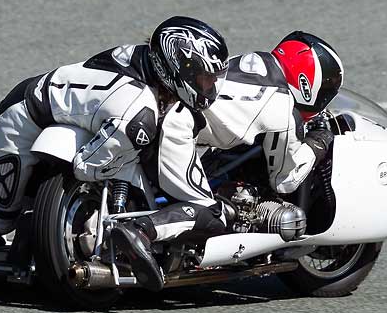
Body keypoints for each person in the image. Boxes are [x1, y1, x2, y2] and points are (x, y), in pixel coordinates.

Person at [0, 16, 230, 292]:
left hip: (78, 122)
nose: (208, 87)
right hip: (23, 117)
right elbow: (88, 168)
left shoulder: (146, 65)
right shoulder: (138, 106)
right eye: (202, 77)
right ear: (176, 67)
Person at [114, 31, 344, 291]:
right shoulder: (282, 107)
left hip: (164, 112)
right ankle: (143, 231)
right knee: (213, 214)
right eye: (325, 90)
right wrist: (318, 142)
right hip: (178, 128)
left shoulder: (251, 62)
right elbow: (286, 180)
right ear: (307, 83)